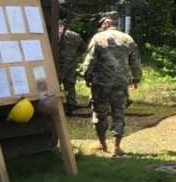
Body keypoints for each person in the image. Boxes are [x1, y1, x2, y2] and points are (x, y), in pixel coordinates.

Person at [79, 17, 142, 157]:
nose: (101, 27)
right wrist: (136, 78)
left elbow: (89, 60)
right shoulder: (128, 39)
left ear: (106, 24)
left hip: (101, 83)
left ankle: (102, 143)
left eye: (102, 24)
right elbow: (135, 62)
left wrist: (87, 77)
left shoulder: (98, 38)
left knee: (99, 113)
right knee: (119, 114)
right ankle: (116, 147)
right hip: (121, 83)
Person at [58, 20, 85, 115]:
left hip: (59, 63)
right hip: (71, 62)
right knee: (70, 84)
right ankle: (71, 105)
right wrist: (74, 56)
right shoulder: (76, 35)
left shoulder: (57, 35)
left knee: (57, 84)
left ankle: (58, 105)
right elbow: (83, 48)